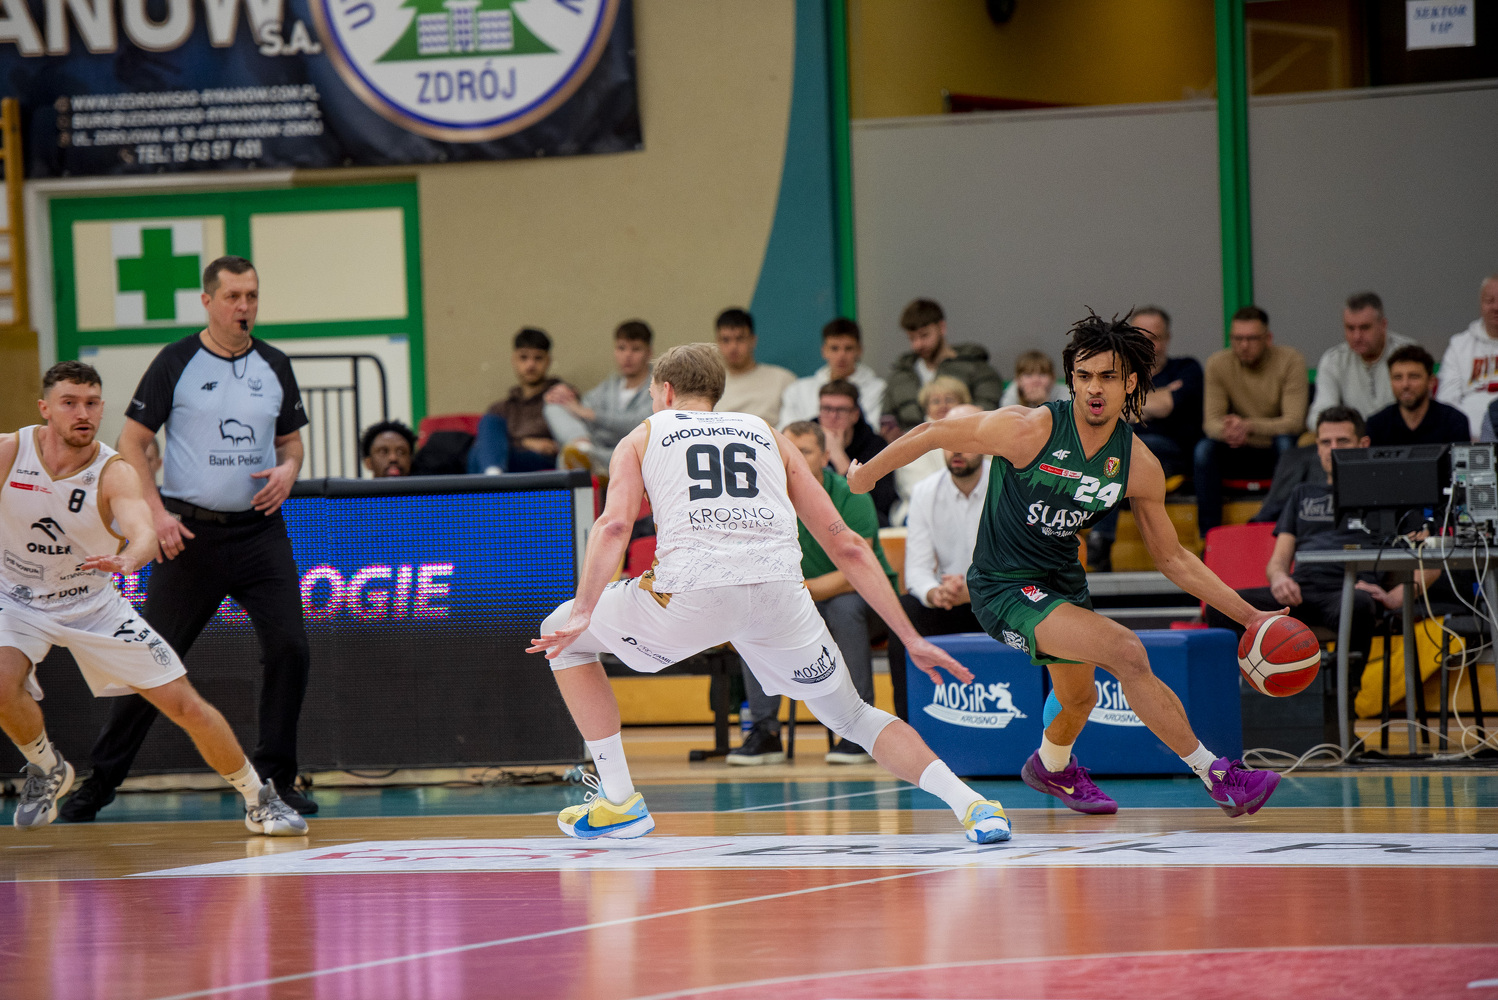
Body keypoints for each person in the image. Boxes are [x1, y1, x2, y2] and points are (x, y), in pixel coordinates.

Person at [529, 343, 1011, 845]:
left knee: (563, 637)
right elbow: (848, 545)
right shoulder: (768, 433)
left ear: (666, 391)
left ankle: (619, 800)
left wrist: (583, 609)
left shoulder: (644, 434)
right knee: (853, 716)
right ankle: (973, 805)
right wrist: (910, 638)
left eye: (653, 394)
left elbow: (613, 526)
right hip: (780, 597)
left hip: (695, 594)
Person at [849, 312, 1285, 818]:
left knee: (1079, 700)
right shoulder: (1028, 429)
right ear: (1071, 379)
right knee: (1126, 650)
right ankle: (1218, 776)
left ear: (1131, 383)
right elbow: (933, 431)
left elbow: (1173, 557)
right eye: (1084, 375)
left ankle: (1052, 767)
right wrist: (867, 476)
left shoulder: (1138, 464)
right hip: (1002, 586)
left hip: (1062, 582)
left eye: (1107, 376)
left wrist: (1251, 616)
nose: (1094, 387)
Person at [61, 256, 316, 823]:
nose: (244, 307)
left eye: (251, 296)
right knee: (152, 658)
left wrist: (289, 469)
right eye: (233, 297)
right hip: (187, 537)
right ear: (208, 302)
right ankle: (99, 784)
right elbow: (131, 441)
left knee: (290, 649)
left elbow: (291, 443)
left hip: (259, 533)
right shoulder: (175, 361)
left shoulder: (275, 364)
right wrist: (156, 516)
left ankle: (276, 780)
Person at [1, 363, 307, 835]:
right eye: (70, 403)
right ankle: (47, 768)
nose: (83, 413)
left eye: (92, 403)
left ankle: (259, 799)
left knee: (185, 705)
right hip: (18, 598)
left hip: (92, 606)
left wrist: (129, 559)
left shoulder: (114, 472)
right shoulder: (10, 451)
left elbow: (143, 533)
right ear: (45, 408)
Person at [727, 421, 896, 766]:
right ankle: (764, 731)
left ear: (824, 456)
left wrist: (801, 589)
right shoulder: (762, 497)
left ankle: (861, 727)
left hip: (867, 601)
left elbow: (856, 570)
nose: (794, 457)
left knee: (844, 608)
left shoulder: (849, 493)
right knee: (753, 613)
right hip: (802, 601)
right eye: (786, 450)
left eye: (804, 450)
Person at [1205, 407, 1410, 671]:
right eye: (1325, 442)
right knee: (1221, 607)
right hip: (1300, 593)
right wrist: (1280, 579)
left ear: (1363, 444)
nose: (1333, 449)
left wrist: (1394, 597)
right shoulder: (1302, 493)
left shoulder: (1388, 496)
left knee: (1358, 603)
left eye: (1342, 441)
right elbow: (1278, 562)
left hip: (1349, 593)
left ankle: (1346, 689)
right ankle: (1248, 687)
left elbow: (1430, 556)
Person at [883, 404, 989, 722]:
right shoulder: (925, 491)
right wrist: (934, 593)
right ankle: (909, 727)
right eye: (948, 439)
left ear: (986, 441)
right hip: (949, 601)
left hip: (1000, 601)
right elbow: (916, 569)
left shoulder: (1010, 486)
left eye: (965, 439)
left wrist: (976, 589)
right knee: (904, 613)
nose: (956, 449)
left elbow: (1021, 564)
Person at [1086, 306, 1202, 571]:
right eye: (1139, 337)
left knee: (1120, 448)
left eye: (1154, 337)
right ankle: (1097, 545)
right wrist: (1160, 396)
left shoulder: (1187, 368)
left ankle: (1100, 540)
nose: (1146, 344)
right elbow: (1100, 411)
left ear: (1167, 339)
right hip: (1124, 453)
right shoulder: (1116, 374)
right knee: (1114, 451)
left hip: (1170, 454)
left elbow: (1166, 406)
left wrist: (1123, 405)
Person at [1194, 305, 1308, 533]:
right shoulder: (1218, 363)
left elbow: (1294, 422)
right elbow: (1211, 423)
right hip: (1237, 446)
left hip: (1273, 446)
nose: (1244, 345)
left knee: (1287, 444)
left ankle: (1282, 530)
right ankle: (1208, 536)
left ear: (1268, 338)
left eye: (1252, 338)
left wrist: (1249, 426)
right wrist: (1229, 430)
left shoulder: (1290, 360)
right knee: (1203, 450)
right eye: (1237, 339)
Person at [544, 320, 654, 476]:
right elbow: (581, 409)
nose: (627, 355)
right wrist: (564, 396)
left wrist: (593, 415)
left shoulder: (657, 387)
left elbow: (641, 424)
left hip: (630, 454)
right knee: (554, 406)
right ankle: (581, 445)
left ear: (649, 353)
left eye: (636, 349)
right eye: (621, 348)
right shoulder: (609, 385)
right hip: (595, 448)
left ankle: (586, 457)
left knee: (569, 458)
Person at [883, 298, 1004, 433]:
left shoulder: (977, 368)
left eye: (924, 335)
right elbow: (886, 419)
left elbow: (988, 410)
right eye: (912, 338)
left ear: (942, 327)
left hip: (961, 440)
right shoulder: (899, 375)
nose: (918, 344)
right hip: (910, 443)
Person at [1307, 291, 1414, 428]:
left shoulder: (1409, 354)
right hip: (1353, 437)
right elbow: (1318, 416)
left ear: (1383, 325)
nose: (1357, 336)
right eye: (1350, 328)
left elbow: (1421, 410)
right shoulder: (1333, 360)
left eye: (1365, 328)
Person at [469, 328, 569, 474]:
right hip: (506, 459)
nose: (530, 365)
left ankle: (491, 477)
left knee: (480, 454)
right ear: (514, 360)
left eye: (538, 358)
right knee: (489, 424)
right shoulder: (502, 408)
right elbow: (487, 443)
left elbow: (573, 440)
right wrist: (525, 443)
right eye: (523, 357)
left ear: (548, 361)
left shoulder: (560, 396)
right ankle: (493, 473)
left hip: (544, 462)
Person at [778, 318, 887, 429]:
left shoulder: (878, 389)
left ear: (859, 350)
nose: (841, 355)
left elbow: (873, 429)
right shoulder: (797, 390)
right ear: (824, 351)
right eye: (834, 348)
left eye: (848, 348)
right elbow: (787, 430)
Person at [891, 376, 971, 526]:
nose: (943, 405)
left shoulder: (978, 436)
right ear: (926, 407)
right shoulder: (912, 439)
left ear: (963, 403)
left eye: (949, 399)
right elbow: (917, 488)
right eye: (936, 401)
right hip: (923, 509)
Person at [816, 380, 895, 526]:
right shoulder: (805, 440)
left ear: (855, 414)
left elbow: (877, 506)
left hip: (859, 521)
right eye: (826, 409)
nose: (833, 416)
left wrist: (839, 456)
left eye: (841, 410)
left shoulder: (875, 446)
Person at [1366, 345, 1470, 447]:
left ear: (1431, 382)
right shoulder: (1376, 425)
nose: (1405, 385)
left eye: (1413, 377)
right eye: (1398, 377)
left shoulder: (1454, 422)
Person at [1436, 274, 1498, 439]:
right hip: (1467, 440)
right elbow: (1446, 402)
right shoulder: (1459, 345)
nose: (1496, 307)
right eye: (1490, 301)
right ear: (1481, 304)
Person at [713, 308, 796, 427]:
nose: (733, 347)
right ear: (717, 342)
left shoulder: (783, 379)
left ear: (753, 340)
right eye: (726, 340)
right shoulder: (710, 384)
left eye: (740, 339)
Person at [998, 350, 1070, 408]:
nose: (1035, 380)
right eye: (1028, 375)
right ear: (1018, 380)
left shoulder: (1066, 395)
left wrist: (1044, 404)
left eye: (1042, 374)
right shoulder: (1013, 393)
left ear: (1053, 378)